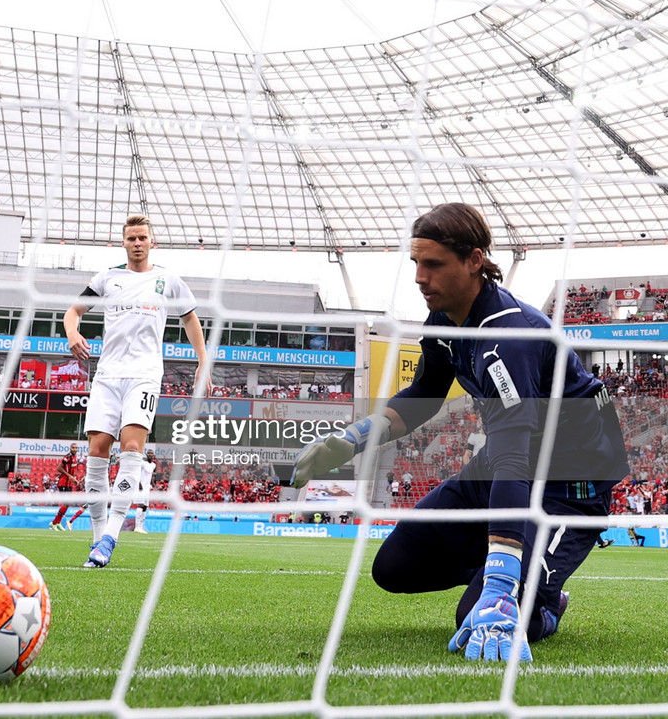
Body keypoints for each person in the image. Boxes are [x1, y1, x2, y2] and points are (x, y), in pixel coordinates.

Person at [293, 203, 628, 662]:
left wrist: (501, 582)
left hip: (571, 480)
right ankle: (510, 567)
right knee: (395, 567)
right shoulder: (444, 320)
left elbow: (513, 456)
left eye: (433, 264)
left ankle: (541, 599)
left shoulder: (510, 338)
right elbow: (426, 393)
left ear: (474, 261)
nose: (419, 277)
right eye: (416, 263)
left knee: (484, 615)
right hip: (505, 464)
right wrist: (354, 438)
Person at [64, 214, 210, 568]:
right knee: (97, 451)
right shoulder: (107, 277)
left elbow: (190, 318)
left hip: (143, 375)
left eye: (143, 237)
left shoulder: (167, 280)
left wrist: (203, 363)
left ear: (152, 242)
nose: (138, 243)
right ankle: (98, 538)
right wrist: (73, 333)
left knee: (131, 446)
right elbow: (73, 311)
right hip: (107, 376)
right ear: (124, 242)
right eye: (132, 238)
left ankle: (111, 536)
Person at [47, 443, 86, 530]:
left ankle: (57, 522)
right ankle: (54, 523)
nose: (75, 449)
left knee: (68, 504)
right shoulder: (67, 457)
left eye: (76, 448)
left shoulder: (75, 458)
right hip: (63, 482)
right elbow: (59, 468)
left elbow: (71, 472)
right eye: (73, 447)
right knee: (66, 503)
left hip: (69, 483)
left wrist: (74, 479)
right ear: (70, 448)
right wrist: (69, 476)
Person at [133, 447, 157, 533]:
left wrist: (154, 485)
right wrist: (139, 483)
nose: (150, 454)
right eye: (149, 453)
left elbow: (150, 476)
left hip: (147, 488)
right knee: (141, 505)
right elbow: (137, 472)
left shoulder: (153, 465)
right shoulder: (142, 463)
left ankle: (141, 526)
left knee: (145, 506)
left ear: (153, 455)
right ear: (146, 455)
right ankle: (137, 526)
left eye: (152, 453)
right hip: (141, 486)